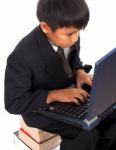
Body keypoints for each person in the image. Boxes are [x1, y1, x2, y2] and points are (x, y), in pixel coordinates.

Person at [4, 0, 116, 150]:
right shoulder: (21, 57)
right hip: (40, 108)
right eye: (70, 34)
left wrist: (79, 72)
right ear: (45, 27)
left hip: (68, 89)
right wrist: (54, 95)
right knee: (84, 133)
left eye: (78, 32)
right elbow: (13, 103)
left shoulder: (70, 34)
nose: (75, 38)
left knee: (111, 110)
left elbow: (72, 61)